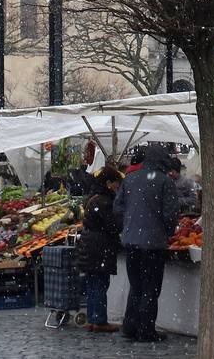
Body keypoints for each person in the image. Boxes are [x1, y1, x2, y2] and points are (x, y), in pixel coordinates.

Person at [113, 143, 179, 343]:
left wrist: (131, 224)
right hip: (153, 243)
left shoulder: (131, 178)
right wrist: (166, 233)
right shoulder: (165, 181)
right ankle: (146, 330)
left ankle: (130, 326)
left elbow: (118, 207)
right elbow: (170, 215)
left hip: (131, 241)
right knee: (151, 288)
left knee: (136, 286)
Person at [77, 167, 125, 333]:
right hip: (99, 248)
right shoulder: (104, 201)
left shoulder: (94, 198)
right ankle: (99, 320)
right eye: (116, 184)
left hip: (91, 246)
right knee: (99, 284)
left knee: (93, 284)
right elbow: (113, 226)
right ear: (108, 183)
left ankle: (93, 318)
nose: (118, 187)